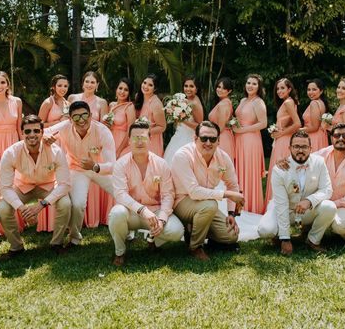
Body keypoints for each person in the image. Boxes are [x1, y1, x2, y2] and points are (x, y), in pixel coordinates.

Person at [108, 120, 184, 266]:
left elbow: (168, 195)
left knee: (176, 231)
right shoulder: (121, 164)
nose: (139, 141)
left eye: (143, 137)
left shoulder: (161, 164)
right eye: (135, 138)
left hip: (155, 211)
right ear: (129, 140)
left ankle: (154, 241)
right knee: (117, 213)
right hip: (131, 212)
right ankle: (120, 251)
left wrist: (161, 219)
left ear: (150, 139)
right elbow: (121, 195)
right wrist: (142, 210)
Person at [0, 115, 71, 256]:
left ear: (42, 133)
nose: (32, 135)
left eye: (36, 131)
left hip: (48, 186)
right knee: (3, 207)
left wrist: (41, 205)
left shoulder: (55, 151)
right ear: (22, 133)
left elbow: (65, 184)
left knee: (65, 203)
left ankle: (57, 243)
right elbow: (5, 187)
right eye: (27, 131)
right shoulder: (11, 153)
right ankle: (16, 247)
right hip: (23, 186)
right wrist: (22, 208)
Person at [172, 121, 245, 261]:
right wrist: (227, 195)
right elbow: (194, 191)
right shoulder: (183, 155)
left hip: (204, 204)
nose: (208, 143)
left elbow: (232, 184)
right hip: (182, 201)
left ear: (218, 141)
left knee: (231, 236)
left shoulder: (223, 157)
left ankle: (194, 229)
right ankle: (196, 247)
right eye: (203, 138)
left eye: (212, 139)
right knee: (210, 205)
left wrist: (231, 214)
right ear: (195, 138)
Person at [44, 101, 116, 237]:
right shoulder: (65, 127)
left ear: (91, 115)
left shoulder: (102, 131)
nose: (81, 120)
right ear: (70, 119)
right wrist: (45, 137)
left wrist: (95, 166)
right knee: (77, 205)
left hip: (99, 168)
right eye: (76, 117)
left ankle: (130, 231)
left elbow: (112, 165)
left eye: (84, 115)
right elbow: (43, 132)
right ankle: (74, 237)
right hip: (77, 170)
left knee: (120, 191)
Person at [258, 130, 336, 255]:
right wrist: (285, 238)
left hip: (306, 210)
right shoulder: (279, 169)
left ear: (311, 148)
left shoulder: (319, 162)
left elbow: (327, 189)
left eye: (304, 146)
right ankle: (278, 236)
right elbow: (282, 205)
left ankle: (313, 240)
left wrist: (309, 200)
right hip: (285, 209)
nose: (300, 150)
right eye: (296, 146)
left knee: (329, 207)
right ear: (290, 148)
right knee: (265, 230)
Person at [233, 74, 268, 213]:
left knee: (248, 172)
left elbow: (263, 123)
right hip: (239, 139)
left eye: (254, 84)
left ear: (259, 87)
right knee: (238, 171)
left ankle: (250, 207)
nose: (250, 86)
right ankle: (237, 204)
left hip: (250, 140)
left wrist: (242, 130)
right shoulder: (243, 100)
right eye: (248, 82)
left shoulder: (258, 102)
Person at [265, 78, 302, 208]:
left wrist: (281, 133)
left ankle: (278, 206)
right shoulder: (288, 102)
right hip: (282, 139)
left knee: (280, 172)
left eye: (282, 88)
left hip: (284, 141)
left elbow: (298, 123)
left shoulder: (288, 102)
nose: (279, 91)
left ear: (289, 89)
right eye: (278, 88)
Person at [164, 76, 205, 164]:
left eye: (191, 86)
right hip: (179, 135)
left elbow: (199, 125)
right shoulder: (185, 100)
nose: (188, 89)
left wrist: (182, 119)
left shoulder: (195, 103)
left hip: (188, 139)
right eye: (186, 86)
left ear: (196, 89)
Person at [134, 74, 166, 156]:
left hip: (152, 141)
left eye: (150, 85)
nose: (146, 86)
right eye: (144, 83)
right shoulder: (138, 96)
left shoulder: (156, 104)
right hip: (138, 140)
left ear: (155, 88)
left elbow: (162, 127)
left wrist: (145, 132)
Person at [106, 77, 136, 158]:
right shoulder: (111, 105)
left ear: (129, 93)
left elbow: (130, 131)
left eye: (126, 90)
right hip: (110, 141)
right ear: (116, 89)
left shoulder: (129, 107)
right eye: (120, 88)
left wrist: (119, 151)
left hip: (123, 144)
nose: (122, 92)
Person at [208, 77, 235, 160]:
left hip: (221, 138)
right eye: (219, 87)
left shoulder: (223, 104)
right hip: (224, 136)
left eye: (224, 88)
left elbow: (220, 127)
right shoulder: (225, 102)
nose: (220, 90)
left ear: (229, 91)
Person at [301, 78, 329, 152]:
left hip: (314, 137)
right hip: (320, 136)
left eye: (314, 89)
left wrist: (298, 130)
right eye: (308, 89)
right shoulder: (321, 102)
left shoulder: (314, 103)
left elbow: (314, 127)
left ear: (321, 91)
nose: (310, 92)